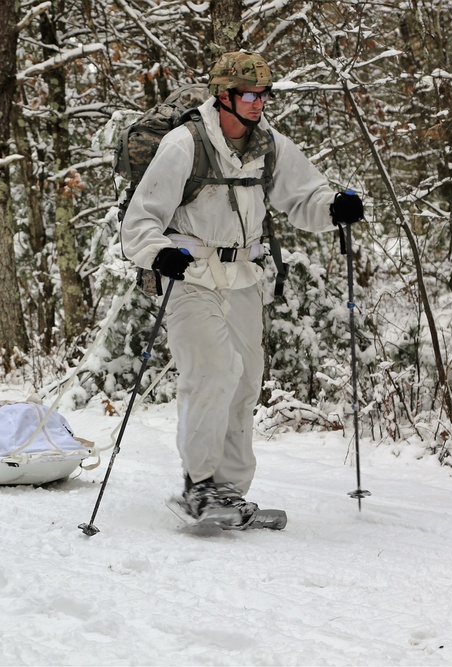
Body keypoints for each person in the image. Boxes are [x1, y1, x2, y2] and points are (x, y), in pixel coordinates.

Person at [119, 51, 364, 525]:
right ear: (223, 95)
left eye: (264, 94)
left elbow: (304, 196)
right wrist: (159, 253)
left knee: (246, 380)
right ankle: (200, 484)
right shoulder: (183, 144)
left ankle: (229, 489)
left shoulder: (268, 145)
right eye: (250, 94)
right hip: (190, 275)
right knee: (211, 372)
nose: (259, 103)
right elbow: (140, 220)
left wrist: (334, 207)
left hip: (243, 278)